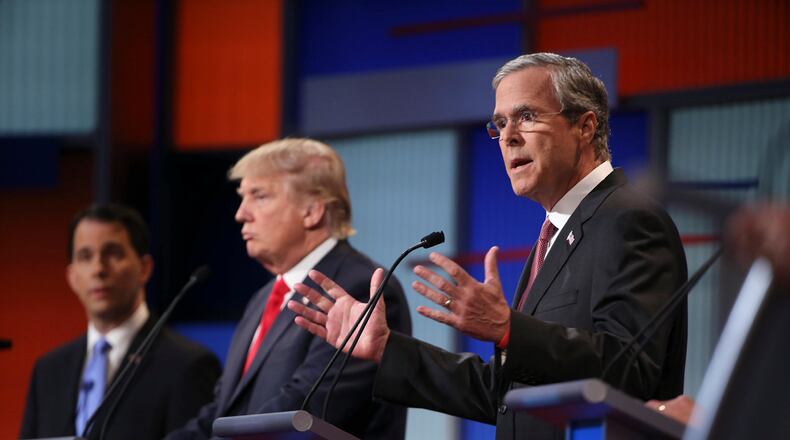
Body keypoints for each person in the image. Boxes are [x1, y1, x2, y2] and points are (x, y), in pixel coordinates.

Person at [289, 53, 688, 439]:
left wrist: (508, 329)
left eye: (527, 116)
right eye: (500, 123)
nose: (509, 137)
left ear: (585, 126)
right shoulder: (557, 231)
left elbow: (632, 371)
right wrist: (388, 349)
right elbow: (505, 395)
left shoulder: (628, 219)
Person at [169, 138, 411, 439]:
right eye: (242, 197)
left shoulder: (358, 291)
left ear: (311, 211)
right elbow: (223, 411)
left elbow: (299, 417)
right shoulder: (263, 298)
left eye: (259, 196)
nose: (241, 214)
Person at [20, 204, 222, 440]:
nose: (98, 269)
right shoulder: (48, 370)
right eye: (85, 257)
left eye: (113, 253)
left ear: (144, 269)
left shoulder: (188, 365)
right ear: (72, 276)